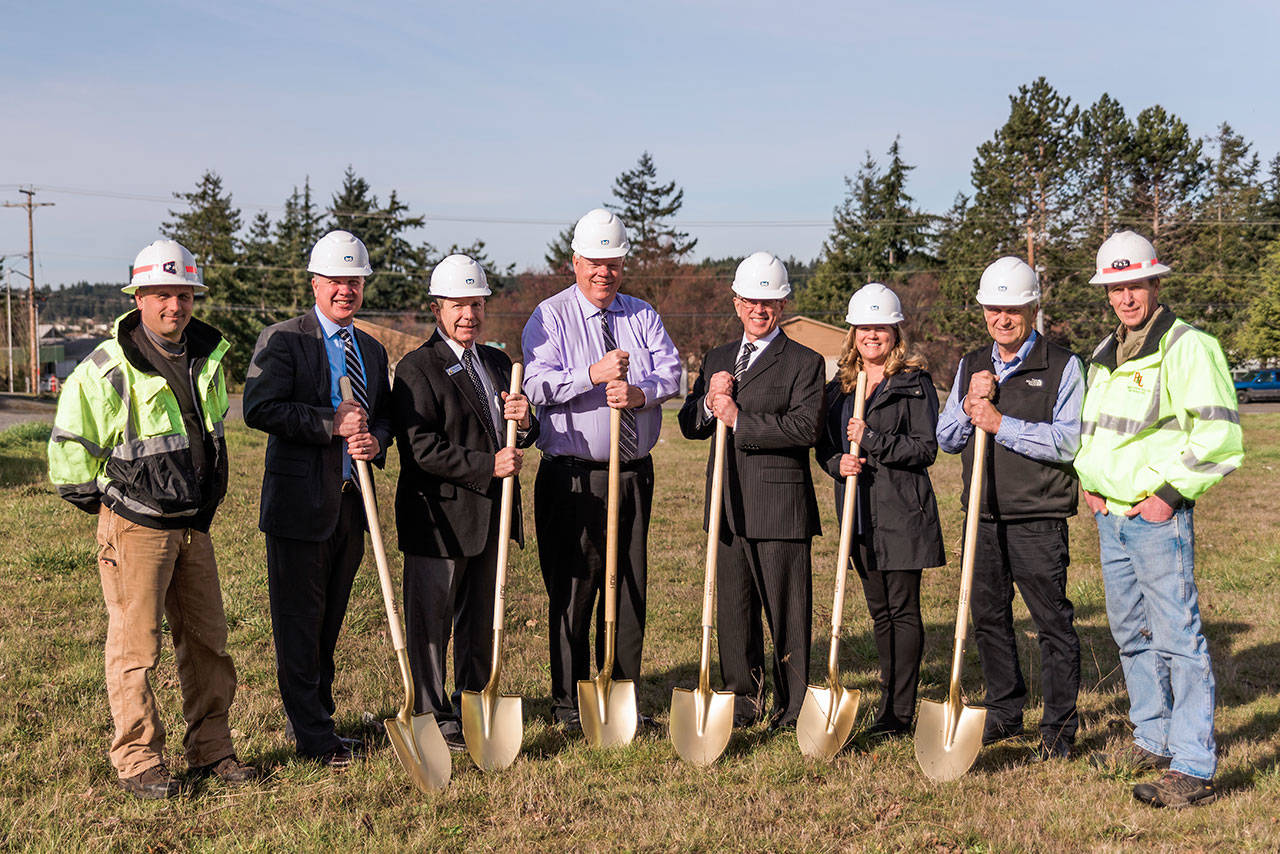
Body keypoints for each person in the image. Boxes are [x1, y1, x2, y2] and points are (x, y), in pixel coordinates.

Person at [47, 239, 255, 799]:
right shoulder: (106, 367)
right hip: (136, 527)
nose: (174, 306)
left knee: (209, 644)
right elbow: (70, 456)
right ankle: (138, 760)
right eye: (161, 294)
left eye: (183, 295)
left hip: (193, 527)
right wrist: (116, 508)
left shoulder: (205, 356)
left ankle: (212, 750)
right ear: (137, 298)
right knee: (136, 649)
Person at [1076, 230, 1243, 808]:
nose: (1125, 297)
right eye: (1115, 288)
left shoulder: (1187, 346)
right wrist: (1089, 481)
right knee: (1130, 633)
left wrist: (1168, 495)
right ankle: (1152, 737)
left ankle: (1192, 764)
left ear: (1154, 283)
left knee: (1177, 637)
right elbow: (1097, 431)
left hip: (1155, 518)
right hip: (1111, 518)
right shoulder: (1106, 352)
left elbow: (1219, 436)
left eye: (1135, 285)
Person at [521, 208, 681, 731]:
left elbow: (672, 372)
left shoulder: (642, 315)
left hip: (632, 472)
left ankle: (621, 696)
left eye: (612, 263)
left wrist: (640, 393)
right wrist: (591, 374)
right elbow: (535, 384)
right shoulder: (549, 316)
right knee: (574, 588)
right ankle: (569, 703)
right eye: (594, 262)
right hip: (573, 478)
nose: (603, 273)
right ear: (575, 262)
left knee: (629, 585)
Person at [242, 230, 393, 767]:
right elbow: (260, 408)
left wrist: (377, 441)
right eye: (335, 280)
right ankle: (313, 738)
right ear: (315, 284)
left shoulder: (371, 350)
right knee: (299, 624)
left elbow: (385, 418)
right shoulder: (284, 339)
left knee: (330, 621)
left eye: (354, 281)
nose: (345, 290)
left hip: (353, 503)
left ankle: (317, 718)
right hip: (299, 505)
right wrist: (330, 423)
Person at [936, 256, 1083, 760]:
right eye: (994, 310)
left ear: (1032, 309)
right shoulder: (970, 364)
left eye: (1013, 310)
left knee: (1052, 624)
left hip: (1037, 517)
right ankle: (1004, 709)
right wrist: (969, 405)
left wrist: (1000, 423)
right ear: (983, 311)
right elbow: (947, 439)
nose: (1003, 319)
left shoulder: (1062, 365)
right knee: (988, 618)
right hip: (982, 515)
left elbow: (1068, 442)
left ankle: (1058, 729)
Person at [390, 254, 538, 752]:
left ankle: (473, 701)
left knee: (479, 622)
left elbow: (520, 433)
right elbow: (420, 449)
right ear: (437, 309)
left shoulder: (496, 364)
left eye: (476, 305)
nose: (469, 315)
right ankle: (432, 713)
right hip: (440, 518)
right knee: (431, 624)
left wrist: (526, 418)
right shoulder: (417, 368)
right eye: (458, 306)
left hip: (491, 516)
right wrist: (487, 466)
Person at [677, 252, 824, 732]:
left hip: (779, 506)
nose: (760, 310)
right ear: (736, 302)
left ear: (782, 305)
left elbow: (804, 428)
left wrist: (739, 419)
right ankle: (743, 699)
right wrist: (708, 401)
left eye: (770, 302)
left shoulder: (804, 362)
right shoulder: (718, 358)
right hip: (727, 506)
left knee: (787, 613)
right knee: (735, 612)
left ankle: (794, 705)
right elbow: (690, 424)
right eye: (751, 301)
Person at [814, 283, 944, 739]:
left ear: (895, 333)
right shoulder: (839, 388)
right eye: (864, 327)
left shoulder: (913, 384)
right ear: (853, 333)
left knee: (903, 612)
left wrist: (871, 440)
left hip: (903, 513)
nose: (872, 335)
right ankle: (887, 700)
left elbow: (925, 449)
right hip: (859, 514)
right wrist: (838, 462)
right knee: (880, 613)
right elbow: (824, 447)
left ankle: (898, 712)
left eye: (881, 328)